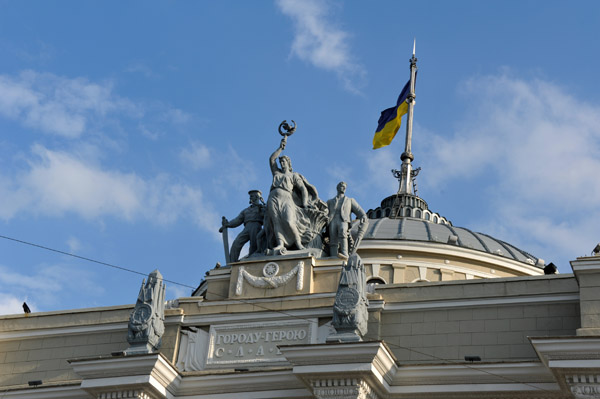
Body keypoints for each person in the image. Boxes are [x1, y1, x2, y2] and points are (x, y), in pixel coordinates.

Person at [264, 138, 324, 252]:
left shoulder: (293, 175)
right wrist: (280, 148)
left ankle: (298, 243)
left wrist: (305, 202)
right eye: (281, 162)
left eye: (284, 161)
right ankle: (280, 244)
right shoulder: (276, 173)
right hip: (273, 198)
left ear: (288, 163)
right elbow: (272, 159)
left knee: (288, 221)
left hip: (286, 198)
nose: (282, 163)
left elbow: (303, 189)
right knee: (276, 221)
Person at [221, 190, 266, 262]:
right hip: (247, 227)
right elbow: (237, 220)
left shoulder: (262, 208)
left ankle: (253, 261)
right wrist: (227, 224)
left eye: (252, 196)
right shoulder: (246, 210)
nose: (250, 198)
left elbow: (268, 218)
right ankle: (232, 262)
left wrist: (263, 209)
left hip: (256, 226)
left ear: (257, 197)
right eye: (250, 196)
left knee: (253, 247)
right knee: (237, 243)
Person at [327, 182, 367, 259]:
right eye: (342, 186)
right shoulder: (330, 201)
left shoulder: (350, 200)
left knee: (342, 232)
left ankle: (345, 253)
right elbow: (325, 211)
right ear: (337, 188)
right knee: (333, 238)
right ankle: (333, 256)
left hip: (344, 220)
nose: (344, 188)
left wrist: (363, 216)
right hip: (333, 220)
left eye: (345, 187)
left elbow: (359, 210)